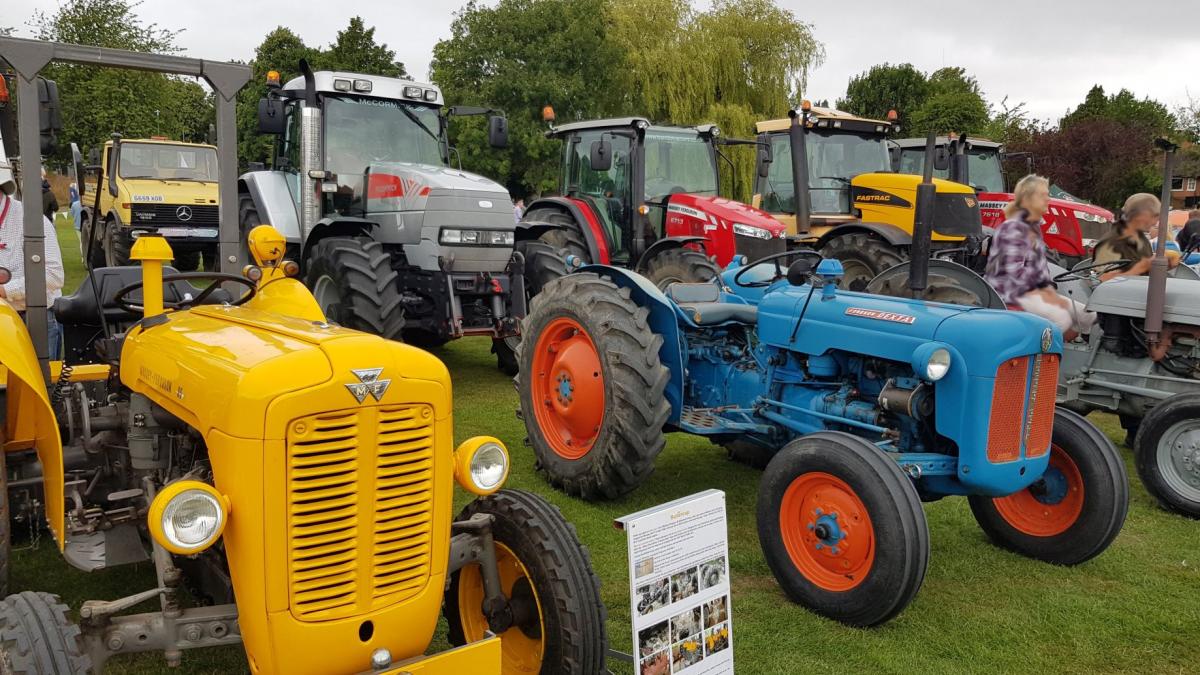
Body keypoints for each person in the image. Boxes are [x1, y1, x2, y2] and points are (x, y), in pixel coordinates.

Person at [985, 174, 1096, 341]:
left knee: (1087, 315)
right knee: (1061, 319)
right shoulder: (1014, 229)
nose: (1048, 200)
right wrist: (1042, 292)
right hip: (1009, 292)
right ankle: (1037, 356)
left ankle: (1071, 354)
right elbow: (1011, 274)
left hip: (1032, 291)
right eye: (1043, 195)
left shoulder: (1033, 227)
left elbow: (1039, 269)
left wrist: (1048, 289)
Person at [0, 175, 65, 360]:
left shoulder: (32, 220)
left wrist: (5, 290)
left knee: (38, 384)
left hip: (35, 319)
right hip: (4, 318)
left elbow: (54, 276)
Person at [1093, 193, 1179, 281]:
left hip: (1141, 292)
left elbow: (1144, 273)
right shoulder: (1111, 242)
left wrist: (1163, 265)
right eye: (1154, 216)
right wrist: (1141, 268)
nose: (1156, 222)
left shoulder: (1142, 239)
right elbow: (1102, 279)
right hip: (1123, 294)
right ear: (1142, 215)